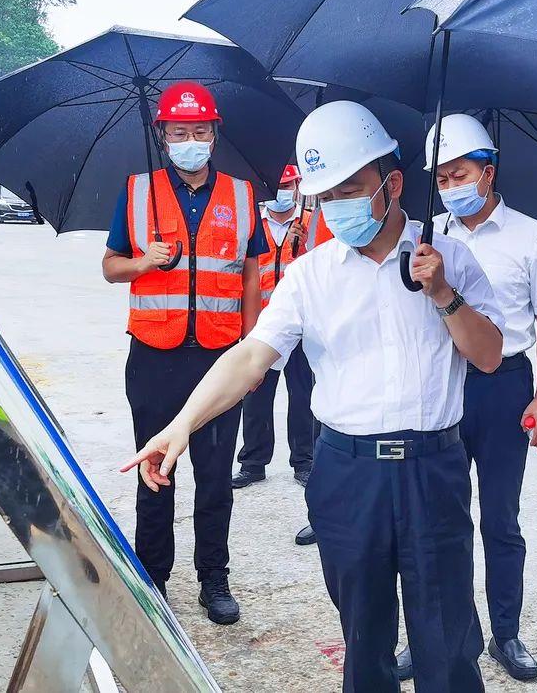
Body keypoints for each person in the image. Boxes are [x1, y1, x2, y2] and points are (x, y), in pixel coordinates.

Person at [122, 100, 505, 693]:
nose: (336, 207)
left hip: (433, 472)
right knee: (365, 639)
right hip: (347, 475)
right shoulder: (311, 274)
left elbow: (490, 355)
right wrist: (181, 425)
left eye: (349, 190)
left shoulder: (450, 259)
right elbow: (251, 356)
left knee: (448, 642)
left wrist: (444, 295)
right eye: (325, 196)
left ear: (392, 185)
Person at [395, 114, 537, 683]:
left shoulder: (530, 236)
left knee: (500, 517)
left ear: (488, 173)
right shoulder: (425, 239)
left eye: (460, 175)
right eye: (442, 178)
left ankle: (505, 632)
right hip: (442, 383)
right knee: (435, 520)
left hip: (502, 387)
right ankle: (433, 634)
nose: (451, 187)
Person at [103, 81, 267, 625]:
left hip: (218, 357)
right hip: (154, 355)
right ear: (163, 136)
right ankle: (153, 578)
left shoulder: (241, 196)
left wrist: (252, 347)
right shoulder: (137, 193)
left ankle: (213, 578)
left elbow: (251, 274)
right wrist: (144, 261)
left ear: (214, 134)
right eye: (179, 132)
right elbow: (111, 267)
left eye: (199, 131)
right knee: (155, 468)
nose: (189, 141)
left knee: (215, 476)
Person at [232, 164, 319, 491]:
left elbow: (324, 266)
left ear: (298, 186)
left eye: (288, 184)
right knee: (255, 394)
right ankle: (253, 463)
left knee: (303, 395)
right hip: (264, 323)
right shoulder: (252, 222)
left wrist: (304, 245)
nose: (281, 191)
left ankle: (304, 461)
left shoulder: (310, 222)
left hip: (302, 325)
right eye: (277, 184)